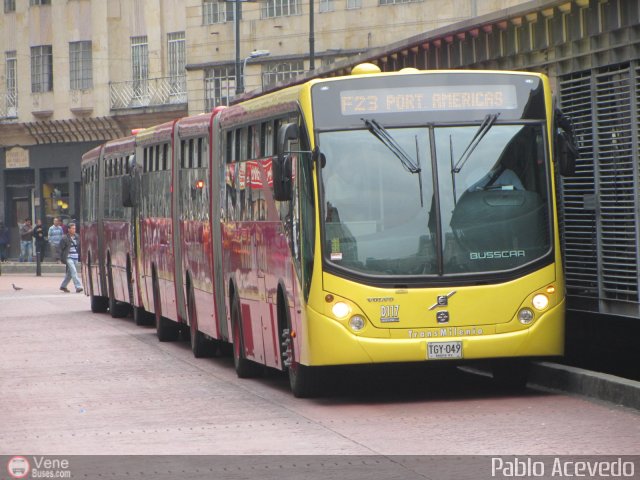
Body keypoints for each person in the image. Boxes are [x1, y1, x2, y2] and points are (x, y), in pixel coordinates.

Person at [59, 223, 83, 293]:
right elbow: (60, 249)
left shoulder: (77, 237)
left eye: (74, 228)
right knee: (74, 271)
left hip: (75, 257)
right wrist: (60, 258)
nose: (74, 230)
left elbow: (80, 246)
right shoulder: (64, 238)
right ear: (69, 229)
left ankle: (63, 286)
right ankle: (78, 286)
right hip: (68, 257)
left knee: (70, 273)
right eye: (72, 228)